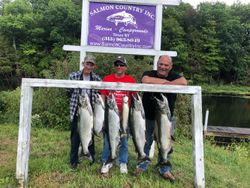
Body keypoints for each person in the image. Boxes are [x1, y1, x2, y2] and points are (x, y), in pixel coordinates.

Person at [135, 55, 187, 181]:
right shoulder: (149, 73)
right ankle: (142, 165)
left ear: (170, 66)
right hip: (147, 116)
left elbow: (184, 82)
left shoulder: (175, 75)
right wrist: (167, 84)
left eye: (166, 65)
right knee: (146, 141)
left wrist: (161, 83)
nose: (163, 67)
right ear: (157, 64)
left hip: (167, 119)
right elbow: (145, 80)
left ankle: (164, 168)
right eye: (161, 64)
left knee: (166, 143)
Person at [100, 56, 136, 174]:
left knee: (124, 139)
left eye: (121, 65)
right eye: (117, 65)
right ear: (114, 67)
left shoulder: (131, 80)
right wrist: (102, 116)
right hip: (110, 115)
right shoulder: (107, 79)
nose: (119, 67)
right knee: (108, 139)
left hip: (125, 116)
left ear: (126, 67)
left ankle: (123, 162)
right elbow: (103, 97)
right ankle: (107, 161)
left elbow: (134, 98)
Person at [67, 55, 101, 170]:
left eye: (91, 64)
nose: (89, 66)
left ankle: (90, 158)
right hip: (76, 112)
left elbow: (99, 95)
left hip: (90, 114)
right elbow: (68, 92)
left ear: (94, 66)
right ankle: (73, 162)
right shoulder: (73, 76)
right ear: (83, 63)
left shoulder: (96, 78)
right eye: (87, 63)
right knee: (75, 137)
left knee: (90, 135)